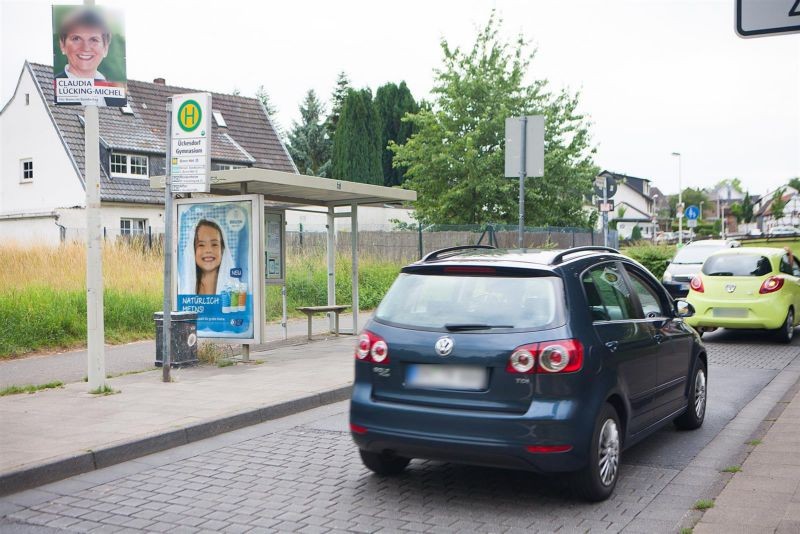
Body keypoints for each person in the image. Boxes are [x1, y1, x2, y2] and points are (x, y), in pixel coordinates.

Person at [178, 219, 236, 295]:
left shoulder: (235, 290)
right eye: (201, 245)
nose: (208, 250)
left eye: (214, 244)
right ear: (193, 250)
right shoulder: (185, 290)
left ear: (222, 249)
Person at [55, 8, 111, 80]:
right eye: (76, 38)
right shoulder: (54, 87)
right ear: (62, 45)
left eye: (94, 40)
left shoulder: (114, 88)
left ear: (105, 49)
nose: (85, 48)